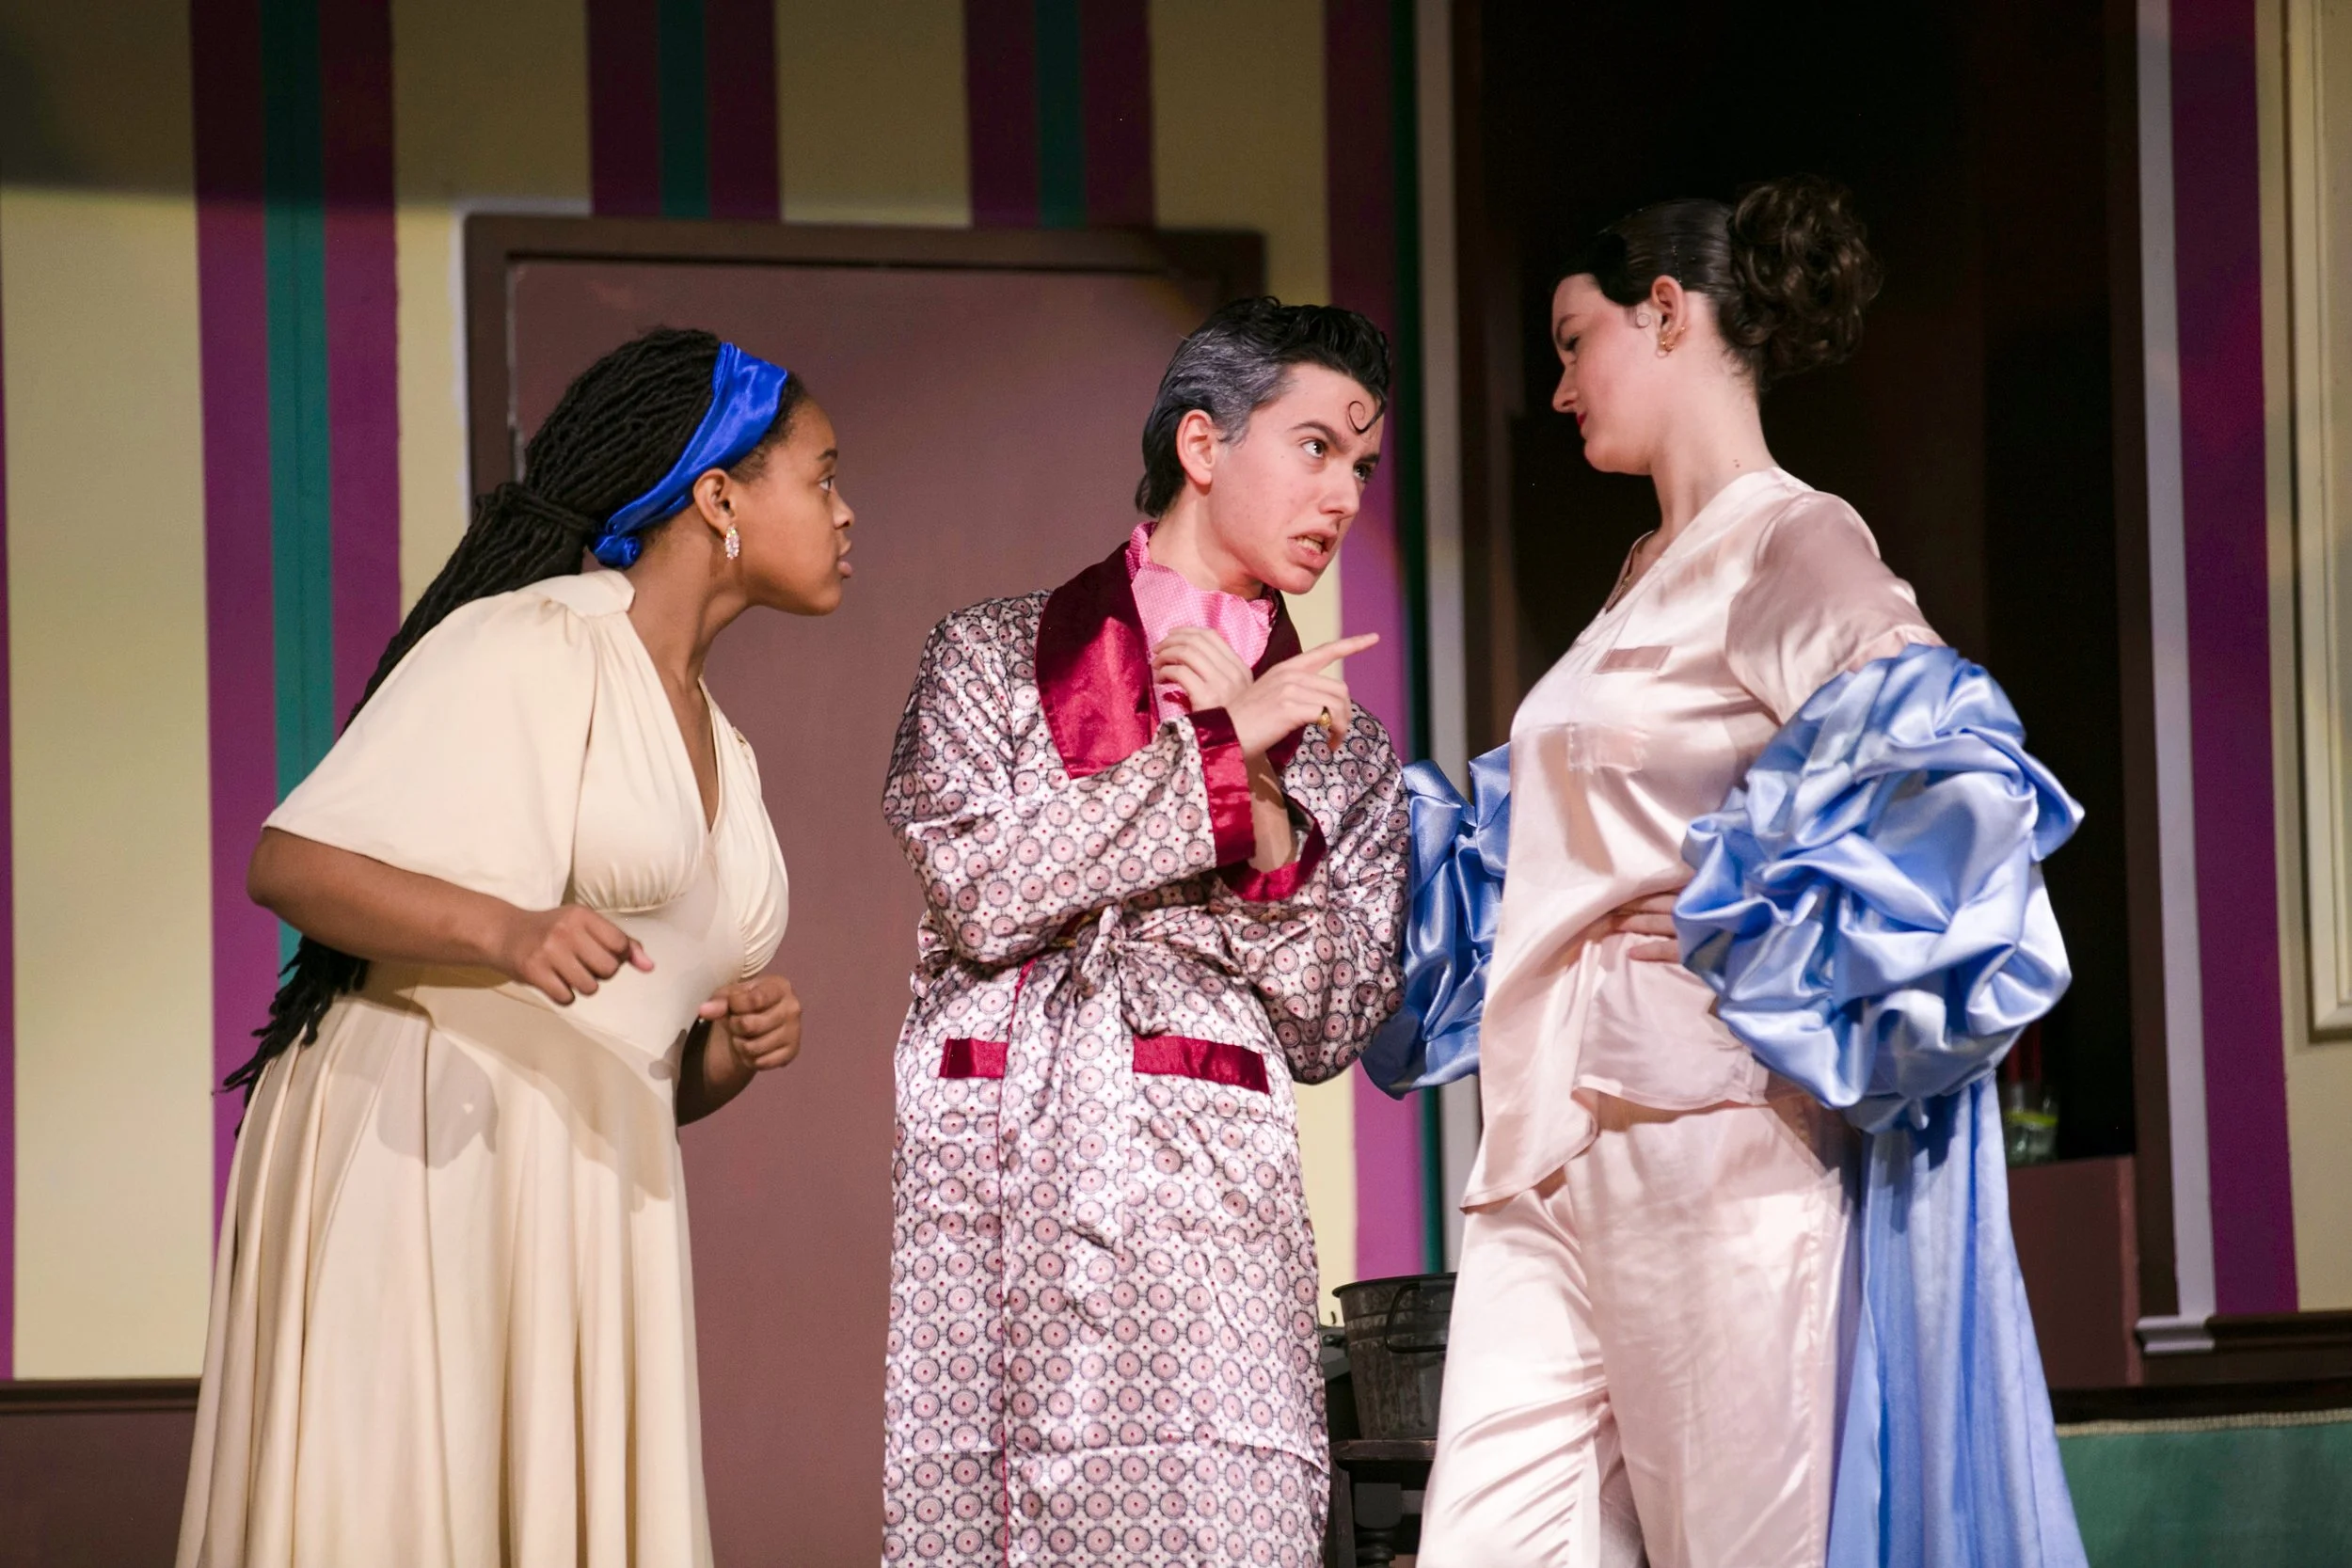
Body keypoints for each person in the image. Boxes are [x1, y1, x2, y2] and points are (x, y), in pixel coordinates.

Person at [1416, 180, 2085, 1568]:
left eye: (1570, 340)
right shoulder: (1640, 574)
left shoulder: (1793, 537)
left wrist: (1751, 929)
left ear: (1666, 311)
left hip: (1709, 1138)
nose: (1557, 389)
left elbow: (1947, 774)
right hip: (1543, 1141)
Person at [178, 329, 854, 1568]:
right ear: (720, 497)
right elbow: (290, 861)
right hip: (431, 1143)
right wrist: (504, 927)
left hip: (593, 1184)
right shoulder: (537, 638)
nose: (846, 510)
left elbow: (636, 1054)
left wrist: (731, 1057)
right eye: (820, 475)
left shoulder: (723, 741)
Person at [878, 298, 1410, 1567]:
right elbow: (983, 884)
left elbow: (1336, 1014)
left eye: (1364, 466)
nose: (1342, 496)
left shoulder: (1345, 749)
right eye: (1316, 447)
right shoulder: (991, 659)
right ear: (1203, 445)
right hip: (1000, 1183)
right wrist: (1221, 752)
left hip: (1204, 1218)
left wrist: (1272, 801)